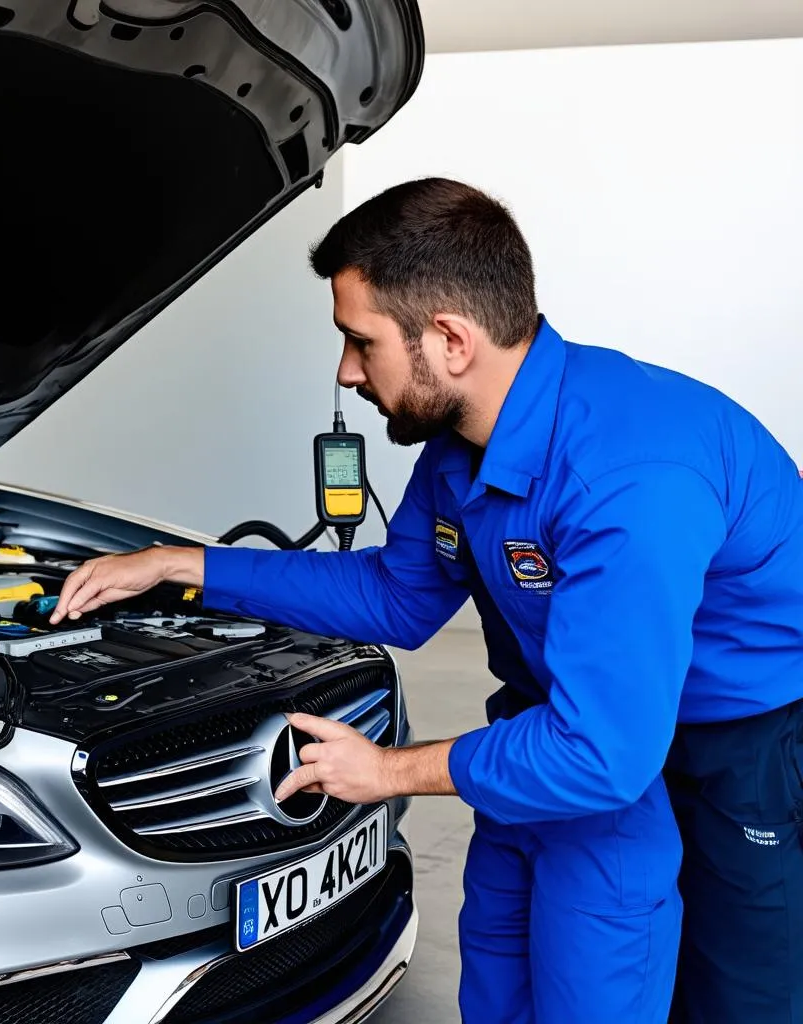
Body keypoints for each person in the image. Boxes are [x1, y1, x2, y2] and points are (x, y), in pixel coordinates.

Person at [51, 178, 803, 1023]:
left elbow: (602, 753)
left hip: (735, 734)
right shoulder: (457, 451)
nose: (346, 371)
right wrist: (181, 566)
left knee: (738, 990)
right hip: (570, 719)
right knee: (522, 961)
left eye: (358, 341)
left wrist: (388, 771)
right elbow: (396, 595)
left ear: (448, 338)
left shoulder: (629, 477)